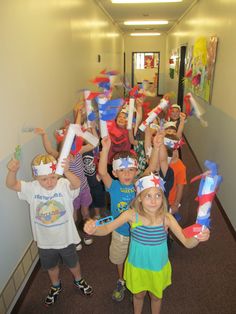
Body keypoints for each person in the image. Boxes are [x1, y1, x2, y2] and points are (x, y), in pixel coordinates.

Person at [84, 174, 210, 314]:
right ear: (139, 198)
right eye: (148, 196)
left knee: (156, 297)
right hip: (137, 266)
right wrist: (94, 230)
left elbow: (187, 242)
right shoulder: (131, 215)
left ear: (163, 198)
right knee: (138, 295)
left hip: (157, 267)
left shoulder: (166, 218)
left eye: (158, 195)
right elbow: (107, 228)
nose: (154, 200)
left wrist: (198, 237)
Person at [6, 154, 93, 306]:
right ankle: (55, 285)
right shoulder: (32, 188)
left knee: (73, 263)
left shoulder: (63, 184)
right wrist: (12, 171)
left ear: (57, 174)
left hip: (66, 237)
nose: (49, 182)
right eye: (44, 179)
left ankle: (79, 280)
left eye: (53, 177)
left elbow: (77, 184)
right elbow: (12, 185)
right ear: (36, 177)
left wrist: (67, 171)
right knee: (51, 266)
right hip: (45, 242)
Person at [35, 127, 94, 249]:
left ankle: (87, 233)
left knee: (85, 212)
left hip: (84, 189)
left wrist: (87, 131)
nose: (69, 149)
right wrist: (44, 135)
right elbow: (50, 150)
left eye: (71, 144)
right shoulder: (60, 158)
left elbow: (92, 144)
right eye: (65, 146)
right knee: (73, 215)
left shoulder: (79, 152)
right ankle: (75, 238)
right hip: (71, 191)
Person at [98, 135, 138, 302]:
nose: (127, 174)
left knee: (135, 259)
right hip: (119, 233)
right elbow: (101, 171)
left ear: (137, 171)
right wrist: (105, 149)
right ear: (115, 172)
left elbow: (153, 168)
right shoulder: (113, 186)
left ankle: (134, 282)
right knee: (119, 259)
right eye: (122, 170)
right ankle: (121, 280)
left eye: (130, 170)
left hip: (138, 234)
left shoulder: (139, 186)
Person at [164, 134, 187, 220]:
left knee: (168, 218)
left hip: (171, 200)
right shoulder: (162, 161)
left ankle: (174, 213)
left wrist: (176, 204)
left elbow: (180, 187)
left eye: (174, 150)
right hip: (160, 196)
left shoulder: (180, 167)